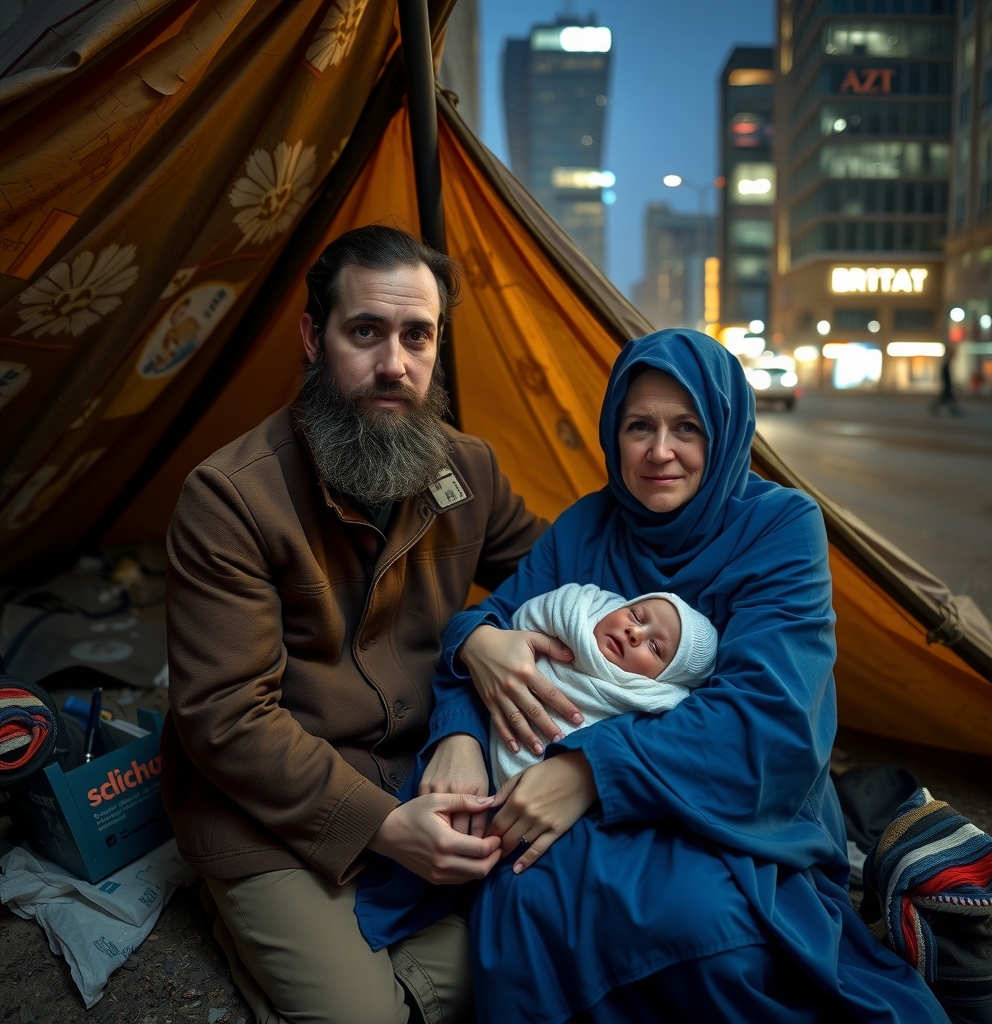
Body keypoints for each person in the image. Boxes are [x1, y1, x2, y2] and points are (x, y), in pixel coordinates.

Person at [361, 330, 950, 1024]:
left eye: (686, 428)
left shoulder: (780, 527)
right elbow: (490, 625)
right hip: (572, 805)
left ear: (726, 432)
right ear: (614, 431)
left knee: (704, 931)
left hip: (728, 806)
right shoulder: (589, 525)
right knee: (530, 894)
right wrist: (467, 701)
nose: (659, 451)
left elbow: (770, 722)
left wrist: (587, 772)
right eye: (639, 426)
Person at [161, 225, 553, 1024]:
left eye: (418, 336)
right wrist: (386, 829)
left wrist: (467, 698)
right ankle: (253, 924)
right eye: (365, 332)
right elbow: (226, 719)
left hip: (428, 770)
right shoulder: (228, 497)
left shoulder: (465, 468)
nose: (393, 365)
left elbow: (555, 580)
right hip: (269, 806)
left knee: (565, 933)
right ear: (314, 336)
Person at [489, 582, 717, 788]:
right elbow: (516, 625)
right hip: (484, 737)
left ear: (663, 681)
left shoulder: (648, 701)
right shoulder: (573, 611)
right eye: (636, 616)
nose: (635, 632)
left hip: (549, 795)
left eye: (655, 647)